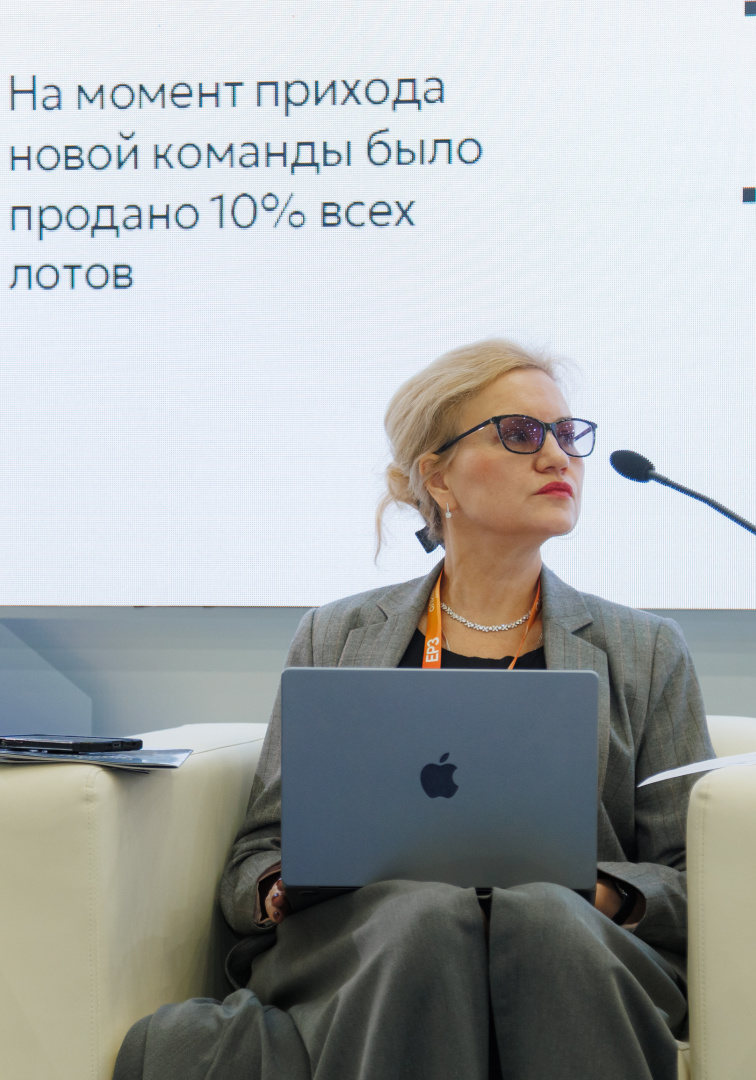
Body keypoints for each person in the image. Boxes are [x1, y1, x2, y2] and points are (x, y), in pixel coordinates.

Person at [114, 340, 713, 1080]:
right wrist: (281, 888)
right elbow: (256, 857)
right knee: (425, 918)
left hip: (574, 948)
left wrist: (603, 892)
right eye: (521, 433)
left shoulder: (645, 649)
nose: (558, 456)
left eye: (567, 433)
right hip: (372, 945)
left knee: (543, 917)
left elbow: (696, 875)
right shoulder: (337, 634)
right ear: (439, 477)